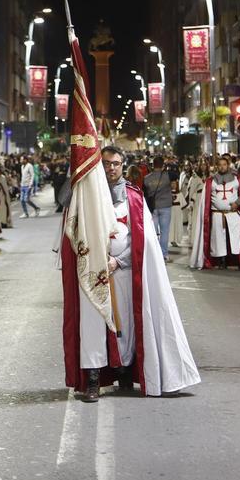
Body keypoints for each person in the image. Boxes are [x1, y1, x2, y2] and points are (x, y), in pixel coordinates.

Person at [61, 145, 200, 402]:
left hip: (123, 271)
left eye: (115, 163)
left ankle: (124, 371)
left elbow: (144, 240)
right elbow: (73, 225)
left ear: (122, 165)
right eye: (105, 163)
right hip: (93, 273)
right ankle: (93, 380)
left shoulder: (134, 197)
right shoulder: (85, 195)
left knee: (126, 323)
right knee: (93, 325)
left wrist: (119, 261)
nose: (110, 168)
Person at [189, 155, 240, 270]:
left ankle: (237, 260)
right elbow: (205, 200)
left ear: (228, 166)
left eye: (224, 165)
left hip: (232, 214)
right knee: (218, 239)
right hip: (217, 215)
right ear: (217, 166)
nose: (222, 167)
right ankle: (221, 260)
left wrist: (237, 203)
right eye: (220, 165)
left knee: (234, 238)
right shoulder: (211, 182)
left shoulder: (236, 180)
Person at [143, 156, 174, 261]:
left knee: (153, 232)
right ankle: (164, 254)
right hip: (165, 206)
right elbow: (176, 173)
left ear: (153, 165)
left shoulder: (147, 178)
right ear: (162, 165)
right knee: (165, 231)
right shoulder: (167, 175)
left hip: (153, 207)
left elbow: (145, 194)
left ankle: (154, 255)